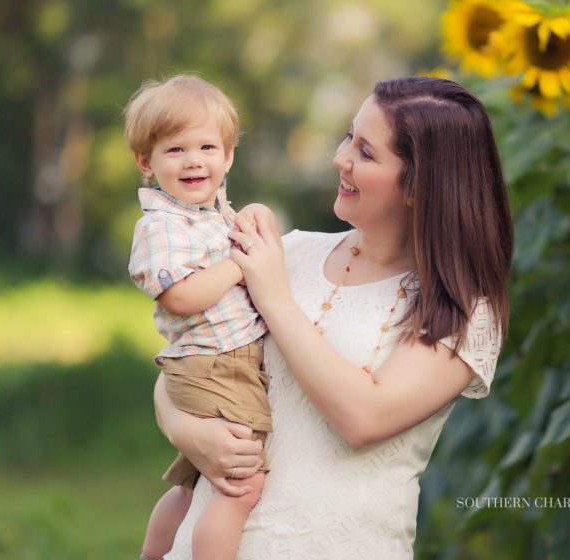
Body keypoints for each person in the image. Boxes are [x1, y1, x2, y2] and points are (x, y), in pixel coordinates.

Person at [157, 76, 513, 559]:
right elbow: (187, 362)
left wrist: (274, 295)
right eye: (349, 136)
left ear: (419, 185)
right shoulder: (290, 251)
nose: (340, 158)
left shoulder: (462, 310)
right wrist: (189, 433)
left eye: (366, 152)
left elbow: (363, 417)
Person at [125, 74, 272, 560]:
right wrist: (240, 263)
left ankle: (152, 555)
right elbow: (181, 297)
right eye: (175, 150)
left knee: (190, 485)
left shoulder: (211, 214)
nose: (194, 160)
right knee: (241, 488)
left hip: (213, 363)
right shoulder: (161, 226)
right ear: (146, 162)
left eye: (208, 146)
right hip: (218, 364)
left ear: (228, 157)